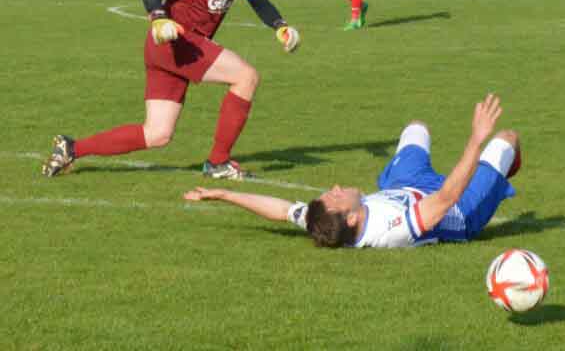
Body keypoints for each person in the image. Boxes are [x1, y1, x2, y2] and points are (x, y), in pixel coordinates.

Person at [41, 0, 302, 180]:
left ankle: (72, 147)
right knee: (246, 77)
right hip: (176, 42)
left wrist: (280, 26)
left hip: (169, 50)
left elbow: (259, 0)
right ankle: (218, 162)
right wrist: (159, 18)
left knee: (157, 134)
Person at [184, 94, 522, 249]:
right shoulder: (394, 229)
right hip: (458, 210)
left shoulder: (323, 221)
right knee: (506, 139)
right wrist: (476, 139)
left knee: (416, 127)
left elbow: (281, 210)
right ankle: (499, 177)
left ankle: (492, 169)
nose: (334, 187)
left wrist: (225, 194)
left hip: (403, 186)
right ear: (350, 219)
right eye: (335, 196)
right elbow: (448, 196)